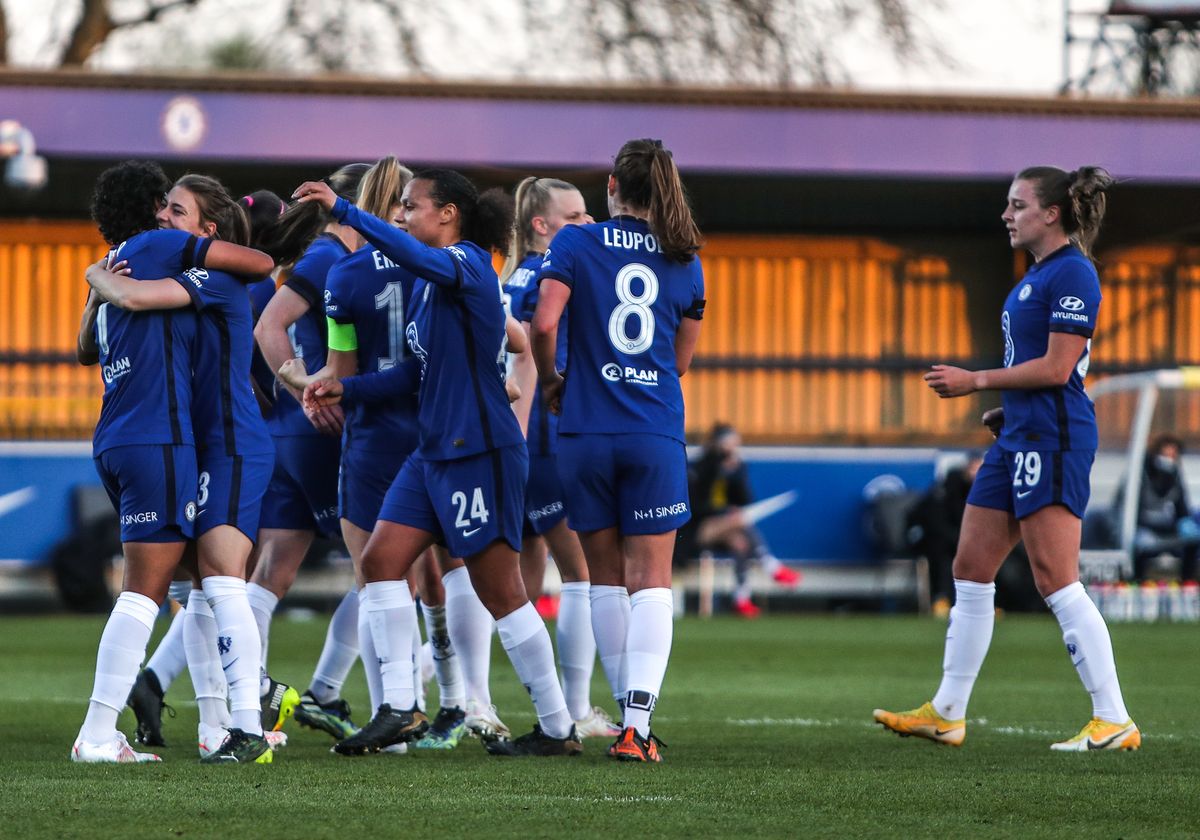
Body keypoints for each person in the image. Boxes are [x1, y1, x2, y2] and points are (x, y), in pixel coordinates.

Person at [289, 168, 580, 757]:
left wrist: (345, 212)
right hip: (432, 454)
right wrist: (348, 390)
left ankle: (556, 728)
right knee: (380, 562)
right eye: (395, 205)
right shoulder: (427, 283)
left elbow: (408, 255)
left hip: (478, 453)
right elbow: (413, 374)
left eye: (410, 204)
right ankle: (400, 707)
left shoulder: (469, 264)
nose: (400, 213)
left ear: (447, 214)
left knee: (501, 593)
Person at [874, 165, 1140, 752]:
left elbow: (1058, 368)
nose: (1006, 214)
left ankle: (1113, 716)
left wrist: (978, 382)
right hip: (1019, 434)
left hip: (1054, 438)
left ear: (1051, 213)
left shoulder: (1074, 272)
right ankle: (947, 711)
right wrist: (1007, 409)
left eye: (1017, 205)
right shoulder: (1039, 274)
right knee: (970, 568)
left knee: (1055, 578)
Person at [71, 160, 273, 763]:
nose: (166, 216)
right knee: (186, 587)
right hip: (171, 442)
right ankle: (221, 723)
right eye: (164, 205)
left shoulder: (156, 270)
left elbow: (92, 341)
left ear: (207, 232)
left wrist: (94, 278)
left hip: (211, 444)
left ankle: (231, 724)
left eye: (177, 209)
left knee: (209, 581)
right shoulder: (160, 256)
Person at [531, 138, 705, 762]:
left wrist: (554, 381)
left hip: (583, 429)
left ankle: (620, 717)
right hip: (652, 430)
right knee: (652, 581)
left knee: (603, 579)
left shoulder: (576, 242)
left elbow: (544, 323)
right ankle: (636, 726)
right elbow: (680, 361)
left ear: (611, 185)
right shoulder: (687, 258)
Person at [247, 163, 369, 735]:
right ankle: (326, 690)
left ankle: (245, 698)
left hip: (292, 433)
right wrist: (306, 388)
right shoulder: (328, 256)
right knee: (393, 569)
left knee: (270, 573)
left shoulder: (317, 256)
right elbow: (270, 327)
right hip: (322, 425)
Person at [501, 176, 621, 738]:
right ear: (539, 226)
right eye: (574, 217)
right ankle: (573, 709)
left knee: (519, 574)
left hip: (519, 438)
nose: (589, 224)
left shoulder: (516, 276)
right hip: (542, 436)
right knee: (580, 574)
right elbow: (527, 363)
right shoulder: (545, 276)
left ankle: (480, 696)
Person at [684, 422, 800, 618]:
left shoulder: (735, 468)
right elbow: (695, 507)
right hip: (694, 531)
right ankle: (771, 566)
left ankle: (741, 598)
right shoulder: (700, 467)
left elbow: (745, 500)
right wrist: (723, 509)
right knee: (740, 520)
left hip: (723, 528)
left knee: (740, 543)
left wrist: (735, 474)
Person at [1116, 434, 1199, 581]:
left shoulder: (1174, 474)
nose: (1169, 458)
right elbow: (1127, 506)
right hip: (1143, 527)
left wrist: (1184, 522)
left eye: (1173, 455)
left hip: (1166, 527)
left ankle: (1187, 582)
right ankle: (1137, 580)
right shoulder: (1140, 473)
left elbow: (1181, 504)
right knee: (1141, 546)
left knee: (1192, 542)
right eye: (1166, 453)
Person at [910, 452, 984, 618]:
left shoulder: (980, 493)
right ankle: (941, 598)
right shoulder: (944, 491)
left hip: (959, 539)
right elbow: (936, 524)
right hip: (935, 540)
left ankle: (983, 601)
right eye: (973, 468)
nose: (975, 474)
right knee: (942, 554)